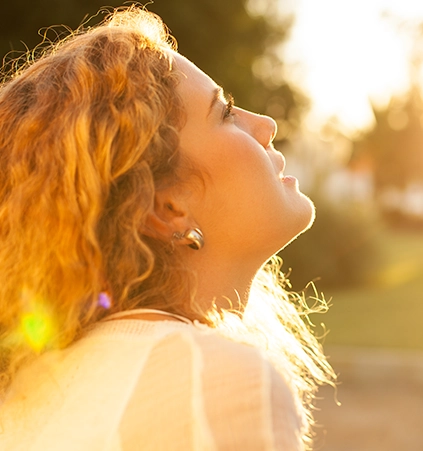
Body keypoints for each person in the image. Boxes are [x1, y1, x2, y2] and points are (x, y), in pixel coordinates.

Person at [0, 6, 335, 450]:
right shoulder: (214, 379)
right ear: (168, 207)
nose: (266, 125)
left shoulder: (29, 388)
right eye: (227, 113)